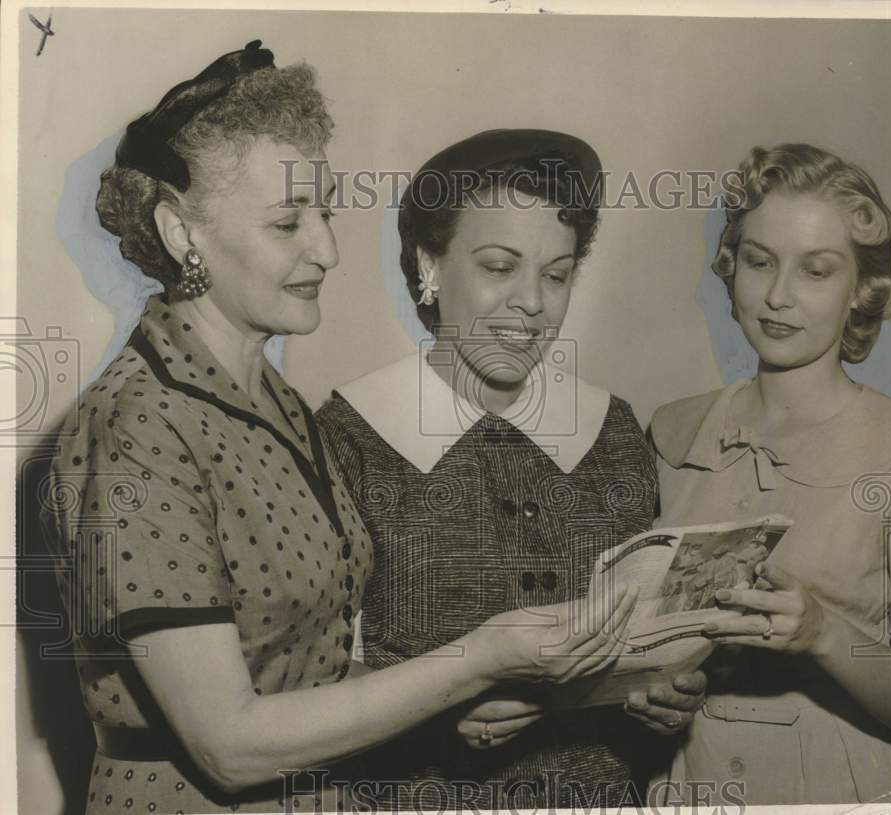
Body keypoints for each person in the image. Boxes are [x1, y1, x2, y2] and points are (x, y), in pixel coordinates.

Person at [40, 43, 641, 815]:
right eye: (288, 222)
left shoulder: (279, 405)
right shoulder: (138, 423)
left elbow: (309, 676)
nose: (326, 249)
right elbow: (229, 742)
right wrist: (477, 659)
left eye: (325, 211)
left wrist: (455, 702)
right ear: (181, 233)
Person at [316, 130, 707, 809]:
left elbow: (645, 637)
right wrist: (434, 704)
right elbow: (296, 675)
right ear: (428, 265)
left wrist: (670, 688)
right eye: (500, 266)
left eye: (556, 274)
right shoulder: (348, 435)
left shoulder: (614, 430)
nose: (534, 301)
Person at [647, 143, 891, 804]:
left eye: (816, 271)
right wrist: (651, 692)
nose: (779, 295)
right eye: (760, 262)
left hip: (841, 786)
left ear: (860, 291)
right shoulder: (672, 436)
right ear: (732, 270)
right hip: (690, 781)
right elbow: (646, 646)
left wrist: (823, 632)